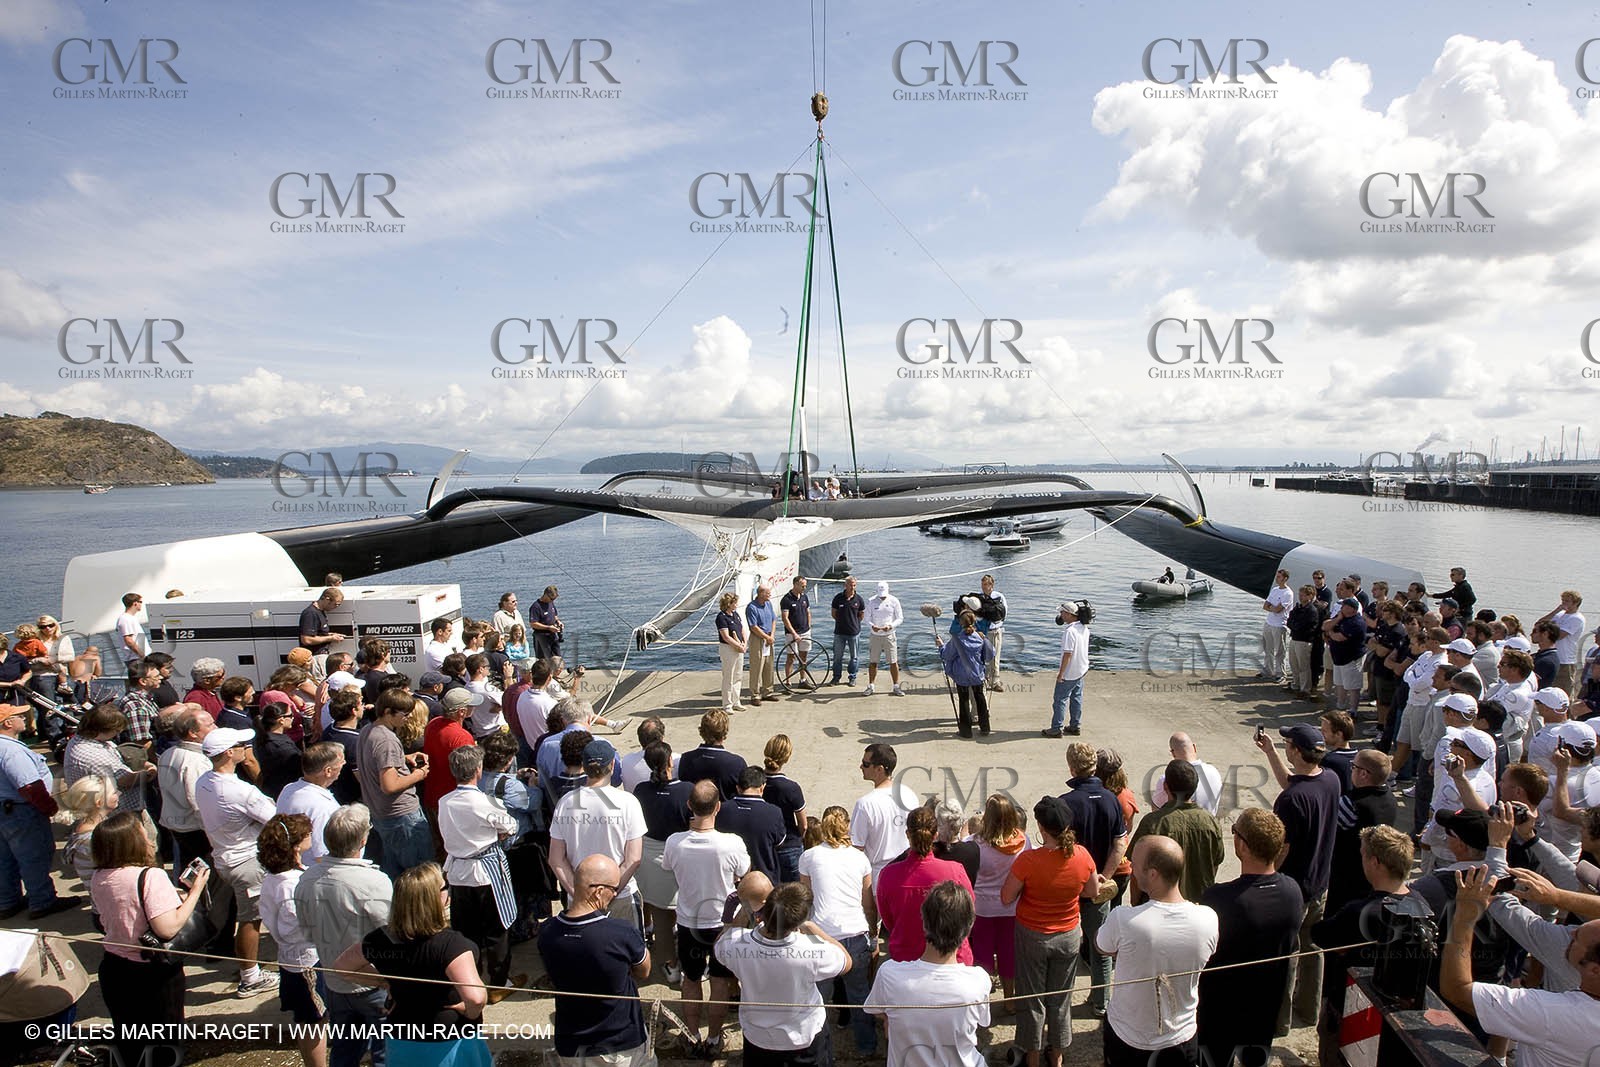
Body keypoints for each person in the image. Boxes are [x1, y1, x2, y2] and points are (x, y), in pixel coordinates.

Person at [1439, 866, 1600, 1067]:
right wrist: (1556, 896)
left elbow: (1457, 989)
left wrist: (1464, 918)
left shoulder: (1551, 1012)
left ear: (1594, 970)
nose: (1570, 934)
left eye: (1577, 938)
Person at [89, 812, 211, 1067]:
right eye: (143, 833)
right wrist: (195, 892)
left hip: (114, 967)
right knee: (165, 1044)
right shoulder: (150, 876)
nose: (149, 837)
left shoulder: (98, 877)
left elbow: (104, 919)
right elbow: (167, 928)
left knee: (130, 1041)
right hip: (152, 973)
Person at [341, 863, 491, 1067]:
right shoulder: (452, 945)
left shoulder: (380, 939)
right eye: (444, 887)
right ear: (436, 898)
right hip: (448, 1041)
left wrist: (384, 981)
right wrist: (470, 1012)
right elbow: (475, 996)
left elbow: (342, 967)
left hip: (402, 1035)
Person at [1096, 836, 1219, 1067]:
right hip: (1180, 1036)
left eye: (1135, 863)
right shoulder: (1208, 919)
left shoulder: (1124, 919)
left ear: (1153, 874)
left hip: (1129, 1038)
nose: (1130, 867)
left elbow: (1102, 946)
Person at [1197, 808, 1304, 1067]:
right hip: (1265, 1007)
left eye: (1234, 832)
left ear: (1242, 845)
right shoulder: (1292, 891)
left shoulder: (1219, 899)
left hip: (1220, 1009)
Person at [1255, 723, 1340, 1034]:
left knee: (1285, 955)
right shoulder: (1330, 779)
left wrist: (1266, 879)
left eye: (1287, 743)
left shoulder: (1290, 801)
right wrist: (1270, 753)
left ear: (1296, 751)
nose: (1285, 746)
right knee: (1313, 948)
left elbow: (1283, 848)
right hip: (1320, 882)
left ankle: (1279, 1021)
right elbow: (1292, 782)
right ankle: (1309, 1009)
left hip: (1293, 889)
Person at [295, 804, 393, 1067]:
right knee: (384, 1054)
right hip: (374, 983)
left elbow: (304, 931)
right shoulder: (373, 881)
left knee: (344, 1051)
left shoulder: (306, 879)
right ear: (363, 839)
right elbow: (392, 933)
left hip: (335, 980)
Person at [1001, 796, 1097, 1066]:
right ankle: (1056, 1054)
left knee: (1032, 998)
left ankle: (1032, 1055)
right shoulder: (1082, 855)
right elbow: (1092, 891)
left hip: (1032, 933)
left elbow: (1007, 896)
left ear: (1042, 828)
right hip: (1067, 933)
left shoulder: (1028, 861)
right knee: (1061, 997)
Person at [714, 879, 850, 1065]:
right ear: (797, 922)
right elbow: (846, 961)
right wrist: (814, 930)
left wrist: (745, 911)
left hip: (757, 1039)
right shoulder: (811, 951)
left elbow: (719, 946)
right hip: (804, 1040)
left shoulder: (737, 944)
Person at [538, 854, 656, 1067]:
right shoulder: (621, 933)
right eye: (614, 889)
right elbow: (645, 970)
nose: (615, 894)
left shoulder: (547, 931)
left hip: (570, 1045)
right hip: (621, 1046)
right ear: (599, 891)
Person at [661, 780, 751, 1059]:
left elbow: (667, 867)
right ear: (718, 807)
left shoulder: (674, 842)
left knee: (691, 979)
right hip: (722, 925)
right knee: (720, 983)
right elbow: (744, 871)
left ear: (690, 806)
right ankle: (713, 1037)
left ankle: (692, 1036)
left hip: (690, 923)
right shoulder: (731, 843)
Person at [865, 880, 992, 1067]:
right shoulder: (979, 980)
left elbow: (878, 1012)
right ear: (969, 927)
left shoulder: (889, 974)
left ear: (924, 922)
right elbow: (982, 1022)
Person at [195, 726, 280, 998]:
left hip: (226, 857)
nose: (247, 748)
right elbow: (275, 818)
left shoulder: (203, 781)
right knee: (250, 920)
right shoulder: (240, 790)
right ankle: (250, 978)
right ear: (229, 753)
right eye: (242, 744)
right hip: (246, 863)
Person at [436, 745, 524, 997]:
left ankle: (471, 978)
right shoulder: (486, 802)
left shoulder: (445, 801)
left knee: (466, 931)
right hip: (486, 873)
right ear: (478, 770)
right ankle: (499, 982)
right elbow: (511, 825)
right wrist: (498, 833)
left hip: (458, 872)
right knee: (497, 930)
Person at [797, 805, 876, 1058]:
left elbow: (806, 898)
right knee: (859, 995)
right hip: (855, 932)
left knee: (818, 998)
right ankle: (867, 1047)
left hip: (821, 937)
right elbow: (867, 901)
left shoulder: (809, 856)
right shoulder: (860, 858)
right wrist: (873, 932)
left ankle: (817, 1049)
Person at [1058, 742, 1127, 1018]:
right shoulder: (1112, 799)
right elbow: (1120, 843)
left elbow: (1060, 848)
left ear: (1072, 768)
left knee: (1067, 950)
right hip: (1098, 889)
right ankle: (1102, 1002)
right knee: (1101, 947)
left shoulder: (1066, 802)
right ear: (1094, 767)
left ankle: (1060, 1003)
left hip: (1070, 890)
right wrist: (1104, 877)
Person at [548, 738, 646, 928]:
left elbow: (556, 859)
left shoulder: (566, 802)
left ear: (583, 766)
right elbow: (633, 858)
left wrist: (578, 893)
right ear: (612, 764)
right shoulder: (628, 802)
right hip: (621, 896)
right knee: (629, 953)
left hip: (579, 900)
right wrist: (611, 893)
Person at [257, 814, 327, 1067]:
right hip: (306, 962)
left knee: (312, 1017)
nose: (312, 837)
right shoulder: (291, 885)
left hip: (294, 959)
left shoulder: (275, 879)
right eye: (307, 835)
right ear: (296, 845)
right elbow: (299, 927)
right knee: (312, 1020)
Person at [0, 701, 73, 919]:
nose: (24, 718)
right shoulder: (11, 751)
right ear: (7, 722)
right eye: (19, 716)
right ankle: (42, 901)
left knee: (5, 859)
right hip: (21, 812)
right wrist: (49, 808)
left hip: (6, 810)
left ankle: (7, 901)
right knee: (33, 857)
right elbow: (29, 786)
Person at [876, 807, 976, 964]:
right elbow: (969, 912)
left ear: (908, 834)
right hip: (951, 959)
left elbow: (888, 921)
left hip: (906, 958)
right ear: (935, 835)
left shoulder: (888, 875)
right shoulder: (954, 871)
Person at [357, 689, 432, 879]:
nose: (407, 719)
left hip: (381, 814)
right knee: (419, 874)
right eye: (404, 714)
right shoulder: (387, 740)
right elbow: (389, 785)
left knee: (395, 869)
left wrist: (405, 758)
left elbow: (376, 763)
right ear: (388, 711)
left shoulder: (368, 730)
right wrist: (419, 774)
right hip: (402, 816)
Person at [633, 741, 690, 984]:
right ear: (670, 762)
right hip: (682, 859)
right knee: (689, 917)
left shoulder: (640, 791)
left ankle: (671, 966)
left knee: (662, 919)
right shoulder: (687, 790)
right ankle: (690, 964)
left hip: (651, 861)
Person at [1128, 760, 1223, 903]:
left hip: (1158, 908)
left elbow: (1136, 871)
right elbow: (1214, 863)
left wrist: (1135, 904)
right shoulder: (1211, 822)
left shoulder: (1153, 823)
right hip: (1198, 907)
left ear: (1166, 787)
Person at [1327, 749, 1398, 914]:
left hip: (1346, 876)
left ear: (1364, 774)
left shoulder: (1352, 804)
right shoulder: (1388, 797)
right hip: (1371, 876)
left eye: (1354, 766)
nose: (1351, 769)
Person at [851, 743, 919, 883]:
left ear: (879, 769)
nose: (861, 767)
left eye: (865, 764)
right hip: (908, 872)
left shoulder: (865, 804)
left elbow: (856, 848)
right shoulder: (910, 794)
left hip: (879, 876)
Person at [714, 766, 786, 883]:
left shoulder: (722, 809)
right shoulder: (774, 812)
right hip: (764, 880)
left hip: (730, 879)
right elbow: (779, 842)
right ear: (762, 787)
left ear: (738, 788)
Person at [276, 742, 345, 864]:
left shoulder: (288, 788)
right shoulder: (322, 807)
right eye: (341, 763)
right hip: (314, 873)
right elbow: (322, 855)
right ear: (328, 771)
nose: (344, 764)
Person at [938, 610, 995, 738]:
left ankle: (965, 731)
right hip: (977, 674)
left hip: (961, 675)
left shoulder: (957, 639)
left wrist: (941, 646)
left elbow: (946, 655)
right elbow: (990, 654)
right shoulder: (980, 637)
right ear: (974, 621)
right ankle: (985, 727)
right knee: (980, 700)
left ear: (960, 623)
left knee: (963, 701)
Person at [761, 735, 806, 883]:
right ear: (787, 757)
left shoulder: (756, 782)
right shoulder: (791, 787)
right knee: (793, 896)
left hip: (764, 845)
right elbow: (803, 824)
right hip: (789, 845)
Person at [1044, 600, 1092, 738]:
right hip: (1081, 669)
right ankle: (1075, 725)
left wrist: (1061, 674)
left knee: (1060, 699)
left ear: (1070, 614)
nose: (1061, 615)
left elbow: (1067, 654)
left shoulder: (1070, 631)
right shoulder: (1084, 628)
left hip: (1070, 672)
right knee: (1076, 697)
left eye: (1062, 612)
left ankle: (1056, 728)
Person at [676, 709, 746, 801]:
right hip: (725, 813)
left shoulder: (686, 759)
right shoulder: (737, 763)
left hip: (694, 813)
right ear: (725, 731)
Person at [1149, 732, 1225, 814]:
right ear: (1194, 747)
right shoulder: (1214, 771)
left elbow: (1156, 809)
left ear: (1173, 753)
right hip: (1209, 823)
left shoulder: (1168, 778)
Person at [1324, 596, 1369, 716]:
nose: (1342, 608)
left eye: (1344, 606)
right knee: (1339, 683)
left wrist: (1331, 632)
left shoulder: (1356, 622)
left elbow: (1339, 637)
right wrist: (1337, 619)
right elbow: (1325, 626)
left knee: (1353, 686)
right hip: (1338, 659)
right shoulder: (1341, 618)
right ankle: (1340, 705)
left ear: (1352, 609)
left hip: (1351, 659)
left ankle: (1353, 710)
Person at [1536, 589, 1587, 696]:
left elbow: (1559, 636)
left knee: (1564, 690)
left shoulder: (1577, 618)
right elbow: (1539, 624)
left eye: (1567, 601)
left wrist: (1545, 632)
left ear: (1576, 603)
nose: (1564, 603)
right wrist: (1556, 611)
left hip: (1565, 659)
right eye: (1563, 600)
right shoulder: (1559, 615)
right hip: (1551, 655)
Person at [863, 581, 905, 697]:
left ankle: (896, 686)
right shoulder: (871, 601)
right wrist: (872, 626)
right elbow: (866, 618)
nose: (882, 596)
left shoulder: (894, 601)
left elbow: (900, 618)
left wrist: (891, 626)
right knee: (873, 661)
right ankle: (871, 685)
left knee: (893, 661)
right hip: (875, 635)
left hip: (889, 635)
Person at [255, 702, 303, 800]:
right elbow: (301, 767)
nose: (293, 717)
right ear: (281, 720)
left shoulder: (264, 738)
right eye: (290, 715)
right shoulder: (281, 747)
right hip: (283, 792)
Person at [1286, 583, 1324, 698]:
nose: (1300, 597)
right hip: (1295, 638)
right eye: (1300, 595)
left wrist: (1295, 625)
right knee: (1294, 663)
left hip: (1304, 640)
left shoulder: (1311, 610)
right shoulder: (1298, 608)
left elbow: (1305, 625)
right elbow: (1290, 620)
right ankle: (1296, 684)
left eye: (1303, 595)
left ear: (1309, 596)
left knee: (1304, 666)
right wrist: (1294, 625)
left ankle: (1305, 688)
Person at [744, 584, 778, 706]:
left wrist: (771, 635)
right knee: (756, 666)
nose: (769, 595)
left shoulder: (768, 604)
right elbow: (753, 626)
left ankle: (767, 691)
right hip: (758, 638)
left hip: (769, 637)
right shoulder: (751, 607)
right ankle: (755, 694)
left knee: (769, 666)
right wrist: (766, 637)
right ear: (760, 593)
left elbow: (774, 619)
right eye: (767, 593)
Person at [713, 592, 746, 713]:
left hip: (739, 647)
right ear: (729, 604)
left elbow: (741, 629)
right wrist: (738, 646)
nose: (736, 605)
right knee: (729, 676)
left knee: (738, 675)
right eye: (735, 602)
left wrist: (744, 643)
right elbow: (726, 636)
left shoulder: (735, 614)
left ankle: (736, 701)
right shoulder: (721, 617)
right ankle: (727, 704)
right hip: (728, 649)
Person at [829, 576, 864, 687]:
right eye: (850, 585)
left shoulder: (859, 599)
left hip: (854, 633)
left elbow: (861, 615)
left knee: (854, 657)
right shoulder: (838, 598)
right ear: (846, 585)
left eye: (854, 585)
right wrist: (842, 622)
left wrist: (854, 623)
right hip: (839, 632)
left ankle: (852, 677)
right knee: (837, 657)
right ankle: (836, 677)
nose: (852, 587)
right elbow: (834, 614)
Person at [1260, 569, 1293, 684]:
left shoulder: (1288, 593)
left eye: (1279, 577)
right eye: (1277, 576)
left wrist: (1273, 608)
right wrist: (1272, 608)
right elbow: (1265, 605)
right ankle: (1267, 670)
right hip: (1269, 622)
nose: (1277, 578)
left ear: (1285, 578)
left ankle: (1281, 673)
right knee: (1267, 648)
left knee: (1280, 650)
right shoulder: (1275, 590)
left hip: (1280, 624)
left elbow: (1279, 610)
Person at [779, 576, 813, 687]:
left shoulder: (804, 597)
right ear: (795, 584)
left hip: (805, 632)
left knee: (804, 657)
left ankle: (802, 680)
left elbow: (808, 612)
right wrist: (794, 633)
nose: (804, 587)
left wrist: (808, 627)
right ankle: (788, 682)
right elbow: (785, 618)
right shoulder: (786, 599)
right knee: (791, 657)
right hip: (791, 633)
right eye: (802, 585)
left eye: (805, 585)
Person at [978, 573, 1008, 692]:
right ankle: (983, 679)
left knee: (995, 657)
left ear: (992, 585)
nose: (984, 587)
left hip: (995, 630)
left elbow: (1004, 612)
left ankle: (995, 681)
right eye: (983, 585)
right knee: (981, 657)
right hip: (982, 632)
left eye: (986, 584)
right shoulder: (979, 597)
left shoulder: (999, 597)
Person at [297, 587, 347, 652]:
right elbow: (306, 639)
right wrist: (330, 638)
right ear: (327, 599)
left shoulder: (320, 612)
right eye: (335, 604)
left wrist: (332, 635)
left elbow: (318, 633)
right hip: (314, 655)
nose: (336, 607)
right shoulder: (311, 613)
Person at [529, 585, 564, 663]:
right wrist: (548, 627)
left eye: (554, 599)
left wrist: (558, 622)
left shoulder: (551, 603)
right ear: (545, 594)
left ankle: (555, 673)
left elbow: (554, 615)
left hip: (553, 635)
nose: (552, 600)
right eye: (551, 598)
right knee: (544, 660)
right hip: (541, 636)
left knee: (557, 658)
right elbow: (533, 623)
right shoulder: (536, 607)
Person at [115, 592, 148, 667]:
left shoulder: (131, 618)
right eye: (140, 602)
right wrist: (141, 654)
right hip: (135, 659)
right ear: (135, 603)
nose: (141, 604)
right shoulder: (125, 619)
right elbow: (128, 640)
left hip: (138, 658)